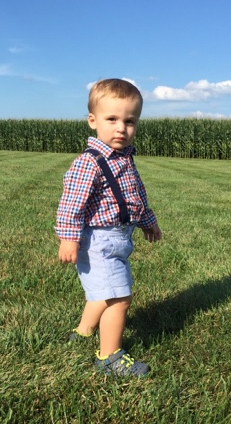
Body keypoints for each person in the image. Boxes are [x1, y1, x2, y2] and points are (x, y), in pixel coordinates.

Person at [55, 78, 162, 377]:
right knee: (119, 297)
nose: (121, 128)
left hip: (119, 239)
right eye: (112, 119)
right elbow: (71, 204)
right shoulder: (89, 163)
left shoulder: (125, 160)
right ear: (93, 121)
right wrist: (68, 238)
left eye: (130, 121)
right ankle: (109, 357)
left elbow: (135, 197)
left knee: (103, 292)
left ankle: (83, 332)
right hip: (99, 242)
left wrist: (148, 222)